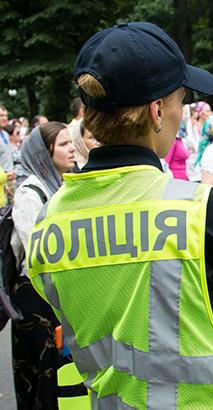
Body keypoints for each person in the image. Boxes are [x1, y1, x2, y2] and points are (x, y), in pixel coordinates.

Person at [26, 22, 213, 409]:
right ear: (157, 110)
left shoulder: (46, 221)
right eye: (181, 100)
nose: (181, 112)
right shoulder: (205, 208)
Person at [10, 122, 76, 409]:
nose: (72, 148)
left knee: (62, 375)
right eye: (63, 144)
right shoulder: (30, 193)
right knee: (42, 376)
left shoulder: (63, 186)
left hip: (58, 292)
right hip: (35, 297)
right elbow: (38, 252)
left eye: (71, 142)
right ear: (42, 153)